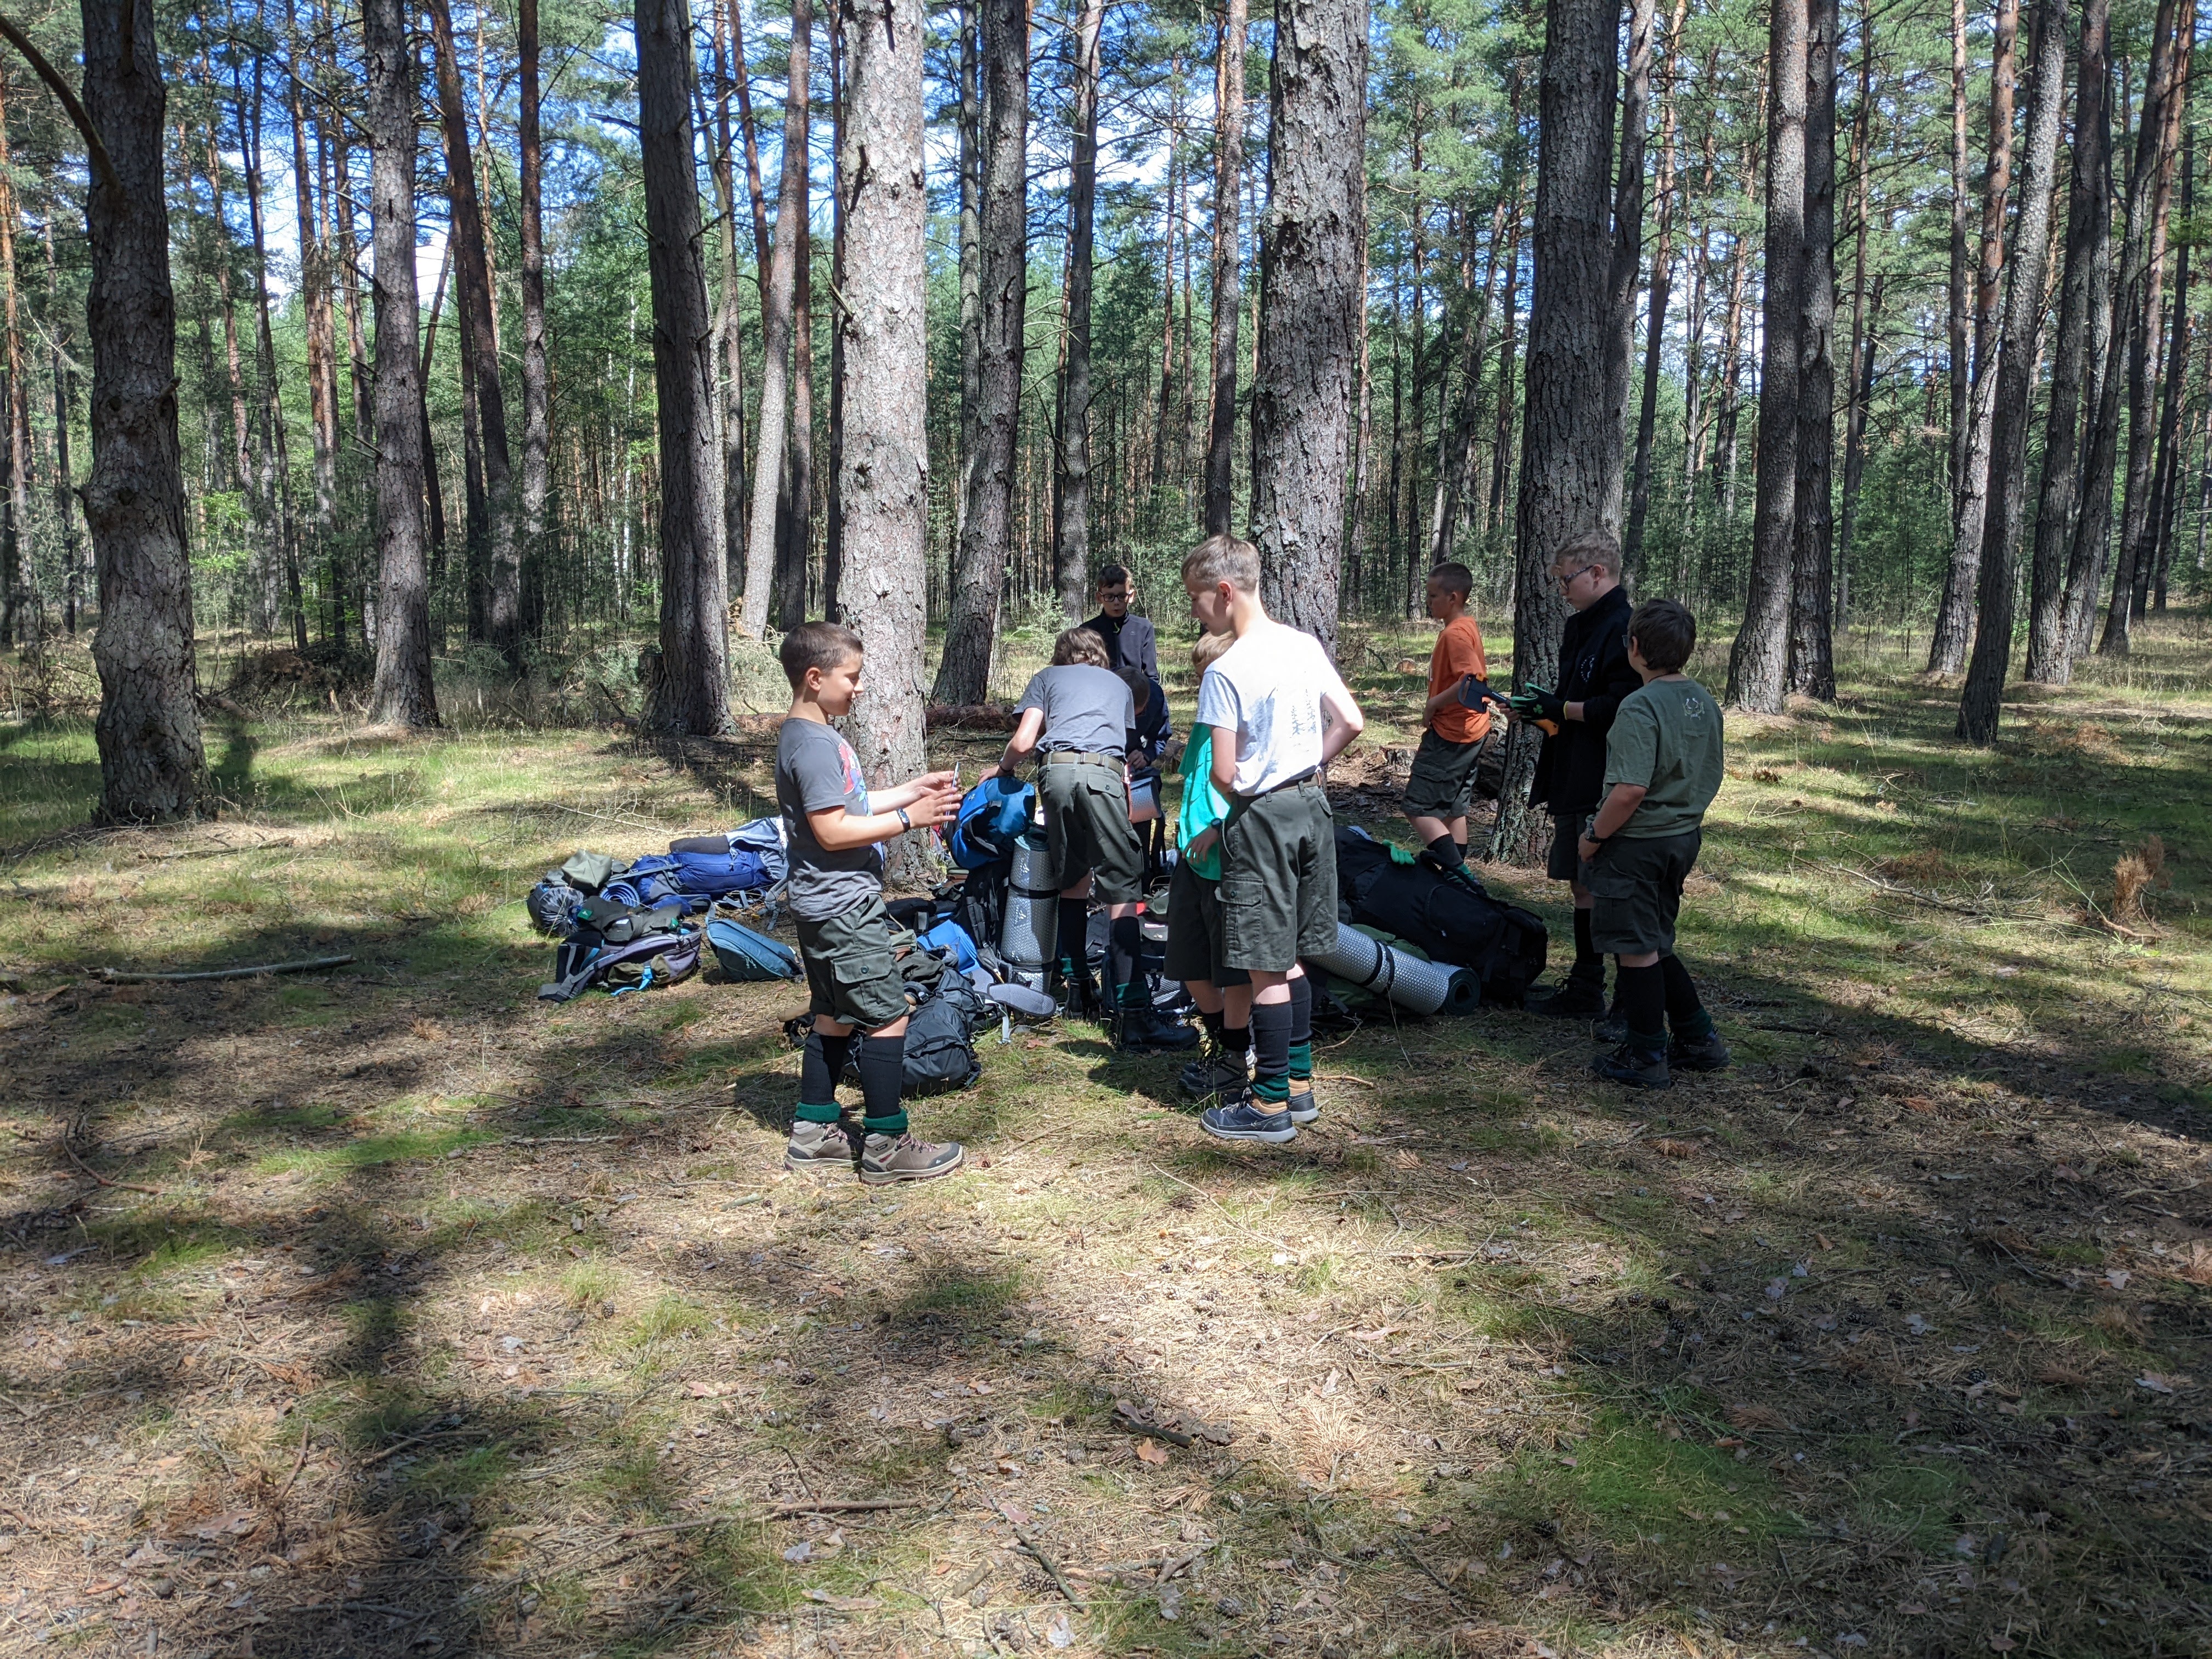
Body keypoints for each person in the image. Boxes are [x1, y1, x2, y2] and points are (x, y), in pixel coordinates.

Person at [1183, 534, 1365, 1145]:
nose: (1195, 611)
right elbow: (1352, 721)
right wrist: (1303, 766)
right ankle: (1299, 1088)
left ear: (1224, 592)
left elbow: (1222, 773)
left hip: (1261, 815)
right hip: (1312, 806)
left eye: (1196, 598)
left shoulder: (1226, 669)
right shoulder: (1303, 645)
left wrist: (1254, 790)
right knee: (1293, 955)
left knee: (1264, 964)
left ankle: (1267, 1107)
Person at [775, 622, 966, 1183]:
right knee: (888, 1017)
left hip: (823, 906)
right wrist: (910, 819)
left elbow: (850, 803)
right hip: (843, 909)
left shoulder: (812, 733)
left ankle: (814, 1133)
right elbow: (833, 830)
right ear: (815, 678)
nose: (859, 688)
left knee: (833, 1017)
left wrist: (911, 791)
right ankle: (887, 1146)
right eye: (851, 678)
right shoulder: (813, 745)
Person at [995, 628, 1198, 1053]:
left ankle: (1078, 992)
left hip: (1054, 774)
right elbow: (1118, 752)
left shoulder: (1047, 677)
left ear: (1062, 655)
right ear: (1100, 657)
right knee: (1122, 890)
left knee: (1072, 881)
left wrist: (1003, 770)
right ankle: (1134, 1014)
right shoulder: (1118, 686)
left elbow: (1024, 741)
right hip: (1102, 775)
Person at [1578, 598, 1731, 1090]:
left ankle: (1646, 1053)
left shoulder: (1639, 706)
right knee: (1657, 942)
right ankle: (1698, 1038)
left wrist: (1593, 836)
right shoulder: (1703, 701)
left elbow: (1630, 790)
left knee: (1636, 949)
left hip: (1637, 844)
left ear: (1635, 647)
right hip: (1682, 837)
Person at [1509, 527, 1642, 1029]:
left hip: (1604, 777)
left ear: (1598, 573)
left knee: (1607, 888)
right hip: (1570, 768)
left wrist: (1562, 709)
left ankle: (1629, 997)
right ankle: (1587, 986)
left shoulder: (1624, 628)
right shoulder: (1580, 626)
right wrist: (1541, 712)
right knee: (1581, 885)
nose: (1562, 589)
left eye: (1567, 579)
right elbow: (1571, 703)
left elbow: (1622, 705)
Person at [1164, 629, 1249, 1106]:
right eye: (1199, 679)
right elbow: (1194, 781)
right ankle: (1221, 1038)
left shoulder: (1242, 725)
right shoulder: (1204, 725)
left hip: (1226, 865)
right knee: (1188, 962)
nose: (1202, 689)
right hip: (1190, 863)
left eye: (1209, 679)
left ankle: (1237, 1050)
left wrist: (1218, 827)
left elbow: (1246, 789)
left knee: (1233, 969)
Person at [1402, 561, 1493, 882]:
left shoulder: (1455, 634)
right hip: (1473, 730)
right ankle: (1454, 882)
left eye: (1433, 596)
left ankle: (1460, 875)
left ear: (1453, 597)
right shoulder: (1467, 626)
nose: (1428, 601)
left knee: (1417, 807)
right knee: (1454, 809)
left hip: (1452, 733)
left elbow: (1472, 678)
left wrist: (1433, 704)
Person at [1084, 565, 1160, 681]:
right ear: (1099, 598)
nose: (1116, 602)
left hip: (1133, 690)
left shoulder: (1143, 628)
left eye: (1122, 596)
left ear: (1131, 596)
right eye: (1110, 597)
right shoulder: (1087, 631)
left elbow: (1152, 676)